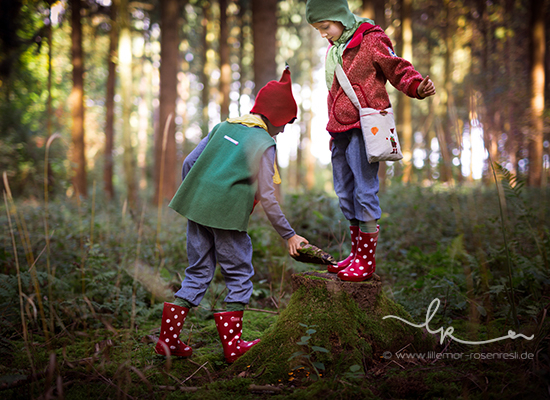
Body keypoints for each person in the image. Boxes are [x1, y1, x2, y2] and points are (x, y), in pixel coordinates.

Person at [154, 67, 309, 363]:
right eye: (287, 122)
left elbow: (189, 162)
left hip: (196, 209)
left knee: (197, 272)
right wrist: (288, 234)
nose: (285, 129)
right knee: (238, 274)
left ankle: (168, 342)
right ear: (277, 115)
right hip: (227, 218)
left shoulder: (224, 127)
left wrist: (198, 197)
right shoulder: (264, 143)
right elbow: (267, 195)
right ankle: (233, 346)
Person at [305, 0, 436, 282]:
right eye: (318, 29)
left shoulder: (371, 39)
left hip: (365, 129)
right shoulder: (334, 49)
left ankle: (366, 261)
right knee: (344, 192)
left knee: (364, 192)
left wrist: (417, 87)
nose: (323, 34)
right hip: (339, 131)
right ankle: (355, 255)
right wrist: (332, 130)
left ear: (339, 17)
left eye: (325, 27)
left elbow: (397, 68)